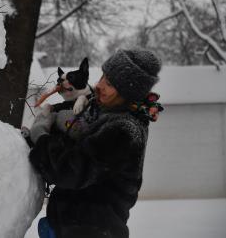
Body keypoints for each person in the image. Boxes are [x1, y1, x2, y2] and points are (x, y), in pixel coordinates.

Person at [29, 49, 162, 238]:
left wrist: (41, 137)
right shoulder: (102, 113)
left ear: (127, 92)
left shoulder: (123, 130)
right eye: (102, 77)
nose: (99, 86)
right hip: (72, 227)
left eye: (109, 83)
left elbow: (70, 170)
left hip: (92, 230)